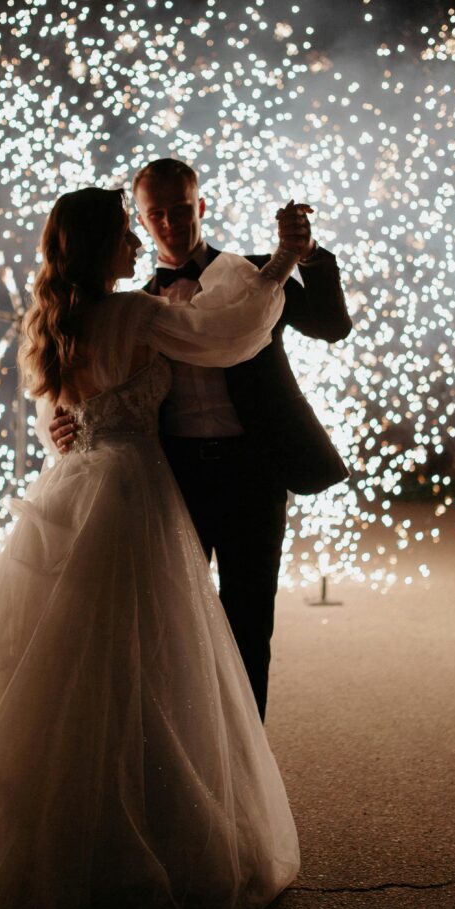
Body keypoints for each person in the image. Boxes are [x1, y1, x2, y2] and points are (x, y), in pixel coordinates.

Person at [0, 186, 302, 909]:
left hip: (70, 495)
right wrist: (281, 262)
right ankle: (152, 830)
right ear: (104, 243)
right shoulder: (135, 314)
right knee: (149, 666)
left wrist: (61, 430)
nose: (138, 247)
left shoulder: (52, 321)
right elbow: (225, 333)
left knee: (63, 671)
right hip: (136, 496)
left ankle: (56, 843)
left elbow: (57, 414)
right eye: (125, 235)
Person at [51, 159, 353, 720]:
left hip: (254, 471)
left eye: (181, 209)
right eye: (157, 214)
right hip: (170, 479)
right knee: (172, 628)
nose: (170, 223)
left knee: (249, 625)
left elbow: (333, 326)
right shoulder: (128, 307)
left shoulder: (253, 276)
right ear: (142, 221)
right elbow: (83, 385)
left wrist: (305, 253)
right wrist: (65, 422)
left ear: (201, 206)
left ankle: (247, 761)